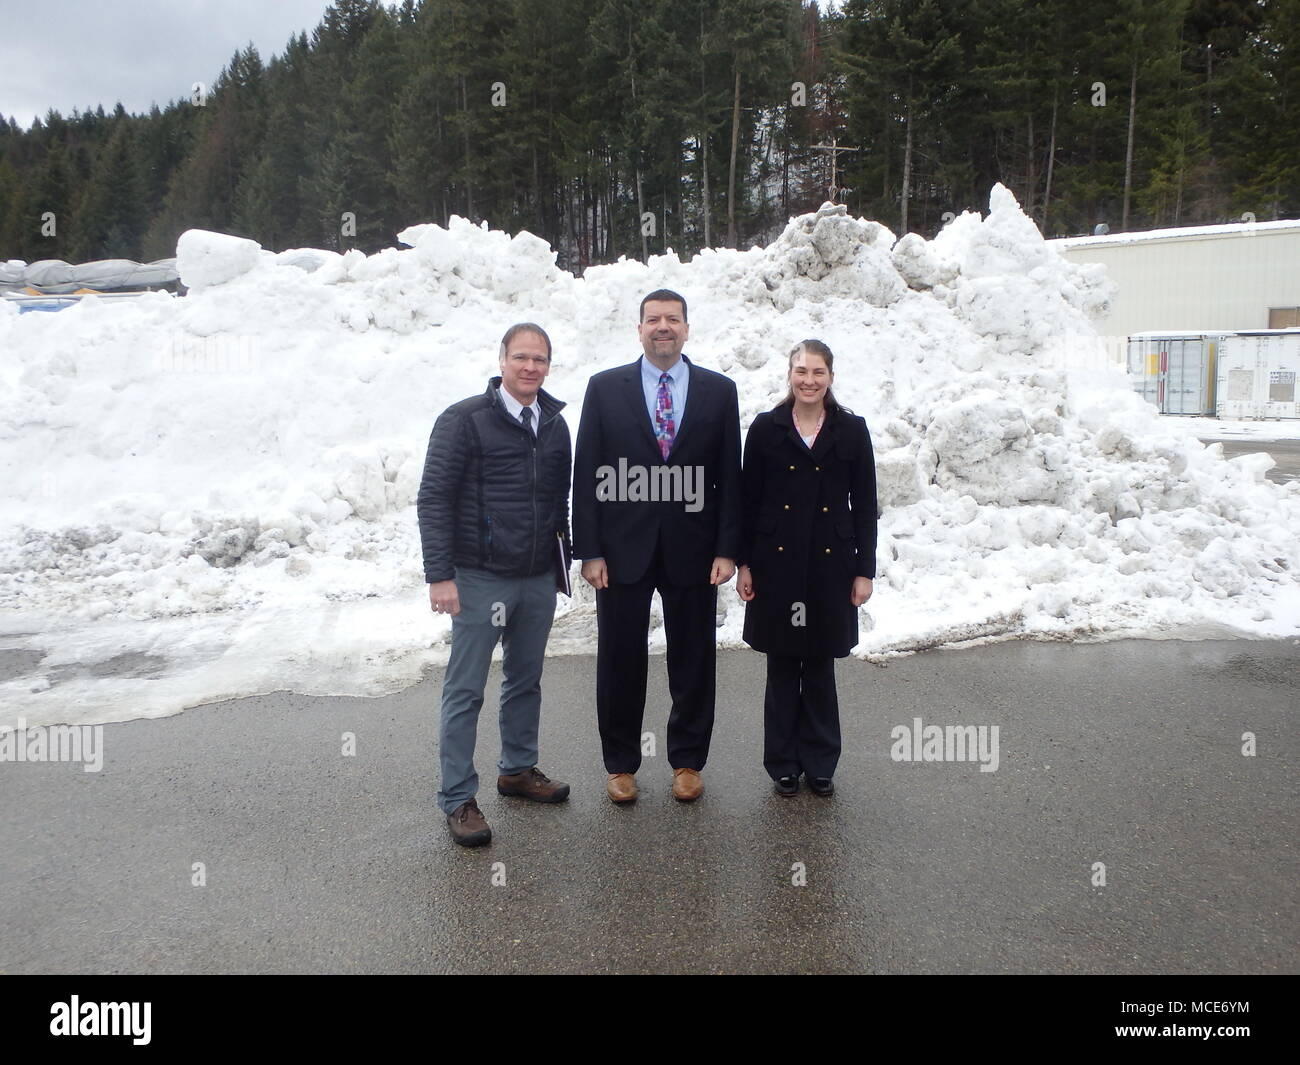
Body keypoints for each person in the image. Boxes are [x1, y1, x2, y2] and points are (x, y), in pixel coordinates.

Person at [573, 289, 742, 804]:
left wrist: (727, 547)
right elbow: (588, 472)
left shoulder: (719, 390)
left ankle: (688, 760)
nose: (662, 327)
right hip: (623, 548)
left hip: (693, 548)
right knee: (620, 658)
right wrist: (591, 550)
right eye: (653, 319)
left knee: (693, 657)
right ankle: (620, 764)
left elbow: (730, 478)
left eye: (672, 319)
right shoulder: (605, 389)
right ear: (639, 328)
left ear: (687, 329)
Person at [416, 323, 573, 846]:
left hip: (535, 576)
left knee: (525, 680)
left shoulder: (554, 424)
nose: (531, 367)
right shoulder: (464, 421)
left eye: (540, 359)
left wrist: (562, 562)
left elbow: (558, 501)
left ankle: (518, 769)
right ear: (502, 359)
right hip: (479, 576)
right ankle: (458, 797)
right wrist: (441, 575)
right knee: (466, 690)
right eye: (521, 357)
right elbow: (434, 498)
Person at [736, 340, 877, 797]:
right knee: (782, 663)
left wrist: (865, 571)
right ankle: (781, 763)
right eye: (801, 371)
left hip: (831, 565)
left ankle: (819, 762)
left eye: (817, 372)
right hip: (775, 563)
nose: (809, 380)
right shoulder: (766, 428)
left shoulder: (851, 430)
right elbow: (747, 500)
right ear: (789, 375)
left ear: (831, 377)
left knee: (818, 663)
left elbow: (865, 505)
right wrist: (744, 564)